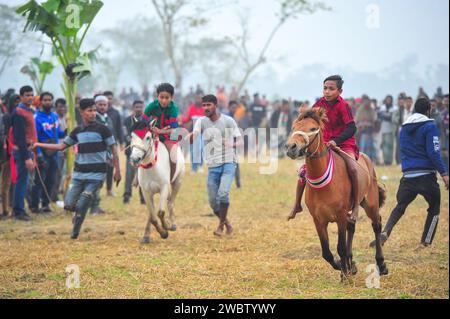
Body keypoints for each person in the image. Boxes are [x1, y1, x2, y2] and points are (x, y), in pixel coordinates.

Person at [33, 98, 121, 239]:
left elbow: (114, 150)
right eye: (89, 111)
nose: (93, 113)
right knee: (68, 205)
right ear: (81, 112)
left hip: (97, 174)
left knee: (84, 199)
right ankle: (77, 216)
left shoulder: (103, 129)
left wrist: (118, 170)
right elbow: (61, 147)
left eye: (94, 110)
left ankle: (74, 233)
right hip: (79, 174)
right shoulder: (77, 131)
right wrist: (38, 144)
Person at [371, 98, 449, 248]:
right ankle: (425, 242)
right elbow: (434, 152)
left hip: (408, 176)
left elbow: (403, 150)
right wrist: (444, 173)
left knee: (400, 206)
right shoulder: (430, 125)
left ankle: (386, 231)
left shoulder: (404, 127)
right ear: (429, 110)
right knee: (435, 207)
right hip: (426, 176)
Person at [288, 75, 361, 223]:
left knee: (353, 169)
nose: (327, 92)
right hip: (324, 143)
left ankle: (355, 207)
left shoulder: (343, 105)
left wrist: (336, 141)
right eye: (325, 88)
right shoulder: (319, 104)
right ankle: (297, 205)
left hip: (344, 144)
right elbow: (309, 120)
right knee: (303, 172)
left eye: (331, 89)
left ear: (339, 91)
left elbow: (351, 127)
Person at [188, 95, 243, 237]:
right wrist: (190, 137)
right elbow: (194, 134)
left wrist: (231, 144)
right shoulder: (201, 122)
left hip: (229, 162)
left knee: (223, 194)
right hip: (212, 165)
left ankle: (220, 226)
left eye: (208, 105)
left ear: (215, 105)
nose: (206, 108)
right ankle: (227, 224)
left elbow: (240, 141)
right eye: (204, 105)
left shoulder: (228, 121)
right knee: (213, 202)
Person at [30, 92, 65, 214]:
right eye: (45, 100)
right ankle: (34, 206)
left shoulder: (54, 116)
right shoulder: (36, 118)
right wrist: (39, 155)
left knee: (51, 181)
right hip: (42, 154)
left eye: (50, 100)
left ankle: (46, 205)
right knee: (39, 181)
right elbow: (35, 139)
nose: (48, 102)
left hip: (55, 154)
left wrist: (67, 131)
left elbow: (59, 133)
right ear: (40, 102)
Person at [144, 83, 180, 182]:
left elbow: (174, 129)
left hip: (171, 134)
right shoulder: (151, 106)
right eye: (161, 97)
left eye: (167, 98)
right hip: (154, 132)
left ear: (171, 97)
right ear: (157, 96)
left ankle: (170, 180)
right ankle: (138, 178)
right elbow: (143, 121)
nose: (164, 100)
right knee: (141, 151)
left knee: (173, 157)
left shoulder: (174, 108)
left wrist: (160, 131)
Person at [11, 86, 37, 221]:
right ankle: (18, 211)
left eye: (31, 95)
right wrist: (26, 158)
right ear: (21, 97)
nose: (30, 98)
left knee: (24, 181)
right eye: (27, 95)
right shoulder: (19, 113)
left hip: (28, 150)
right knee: (21, 182)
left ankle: (20, 209)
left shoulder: (29, 111)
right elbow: (19, 137)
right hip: (22, 152)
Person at [123, 100, 145, 205]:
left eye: (140, 107)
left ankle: (143, 196)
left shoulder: (147, 120)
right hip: (130, 153)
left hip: (143, 154)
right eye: (137, 107)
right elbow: (125, 134)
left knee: (143, 175)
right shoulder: (127, 120)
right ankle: (127, 195)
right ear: (133, 108)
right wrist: (133, 141)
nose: (139, 109)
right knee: (129, 175)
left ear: (143, 108)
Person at [104, 91, 124, 197]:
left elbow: (119, 128)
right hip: (100, 145)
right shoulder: (98, 112)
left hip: (112, 144)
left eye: (110, 98)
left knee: (111, 166)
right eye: (106, 98)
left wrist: (121, 142)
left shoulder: (115, 113)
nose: (108, 100)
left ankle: (109, 189)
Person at [184, 94, 205, 174]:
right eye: (196, 98)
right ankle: (193, 168)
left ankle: (200, 166)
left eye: (199, 98)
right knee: (193, 151)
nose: (198, 100)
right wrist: (181, 120)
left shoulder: (205, 109)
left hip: (202, 133)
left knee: (201, 149)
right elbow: (187, 118)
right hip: (193, 133)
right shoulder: (192, 108)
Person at [379, 95, 399, 165]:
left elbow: (393, 118)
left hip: (391, 129)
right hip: (383, 129)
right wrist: (388, 115)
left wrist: (387, 116)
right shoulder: (382, 107)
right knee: (384, 146)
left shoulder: (395, 108)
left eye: (389, 99)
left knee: (390, 146)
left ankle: (389, 161)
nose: (388, 100)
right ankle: (385, 160)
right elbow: (381, 116)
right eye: (387, 99)